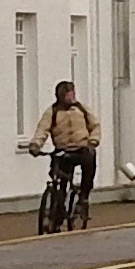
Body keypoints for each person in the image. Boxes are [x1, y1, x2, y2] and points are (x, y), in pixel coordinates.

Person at [25, 80, 100, 222]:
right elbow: (43, 129)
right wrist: (35, 145)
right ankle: (57, 210)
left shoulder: (81, 109)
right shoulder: (52, 112)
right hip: (63, 151)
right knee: (59, 179)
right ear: (60, 96)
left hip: (82, 148)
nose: (71, 98)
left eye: (72, 94)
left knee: (89, 163)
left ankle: (83, 198)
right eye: (68, 95)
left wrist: (93, 142)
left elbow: (95, 125)